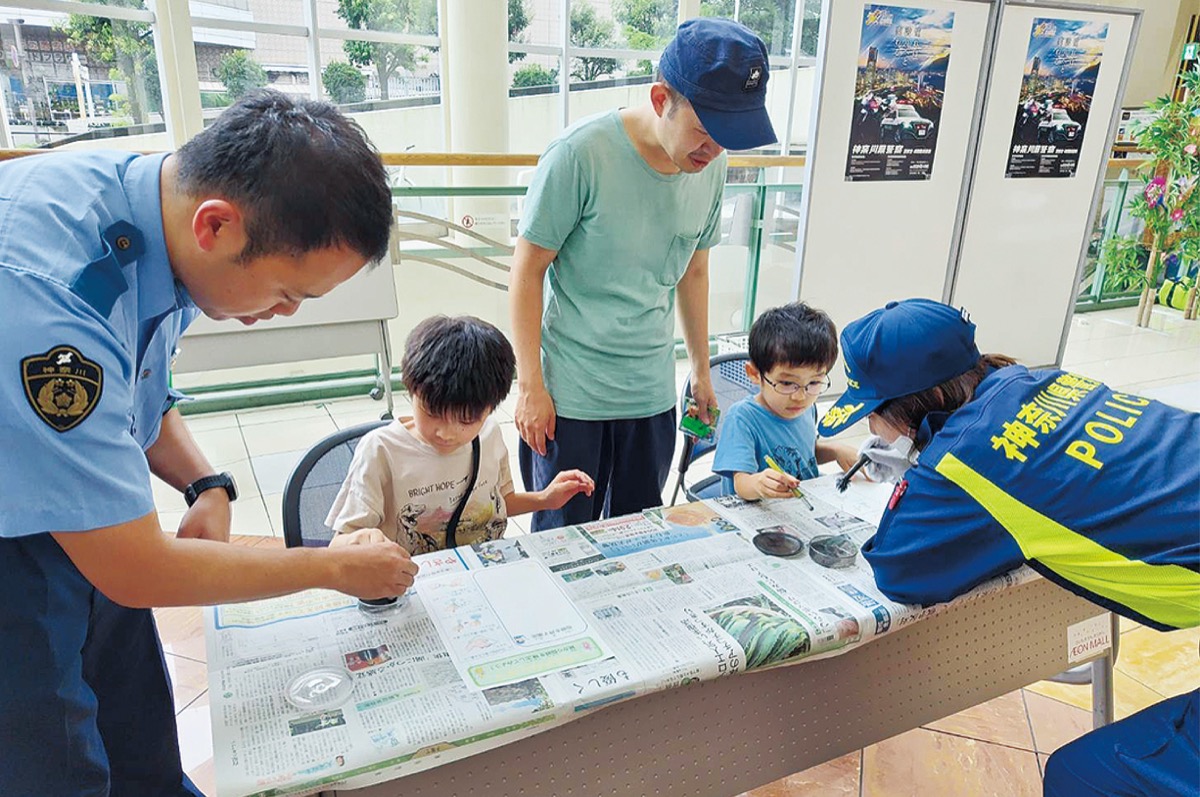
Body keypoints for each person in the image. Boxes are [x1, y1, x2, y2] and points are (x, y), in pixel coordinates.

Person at [0, 91, 421, 797]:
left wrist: (207, 483)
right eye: (288, 292)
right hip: (16, 535)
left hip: (81, 505)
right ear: (217, 225)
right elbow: (136, 569)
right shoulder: (48, 298)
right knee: (53, 760)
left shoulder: (155, 211)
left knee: (138, 737)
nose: (281, 314)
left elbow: (132, 389)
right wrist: (328, 568)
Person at [816, 298, 1199, 797]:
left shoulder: (964, 458)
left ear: (918, 404)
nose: (872, 428)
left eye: (875, 411)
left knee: (1081, 776)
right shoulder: (1042, 381)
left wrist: (927, 476)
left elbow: (899, 571)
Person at [510, 17, 777, 531]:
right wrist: (530, 386)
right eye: (705, 130)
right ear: (660, 100)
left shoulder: (710, 166)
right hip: (573, 393)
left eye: (728, 137)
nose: (714, 149)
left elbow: (694, 270)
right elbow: (526, 273)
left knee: (639, 535)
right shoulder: (579, 155)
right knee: (565, 540)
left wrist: (700, 368)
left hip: (651, 392)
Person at [326, 315, 594, 553]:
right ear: (410, 390)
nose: (446, 433)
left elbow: (497, 504)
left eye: (467, 420)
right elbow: (340, 542)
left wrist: (545, 499)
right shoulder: (382, 450)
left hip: (483, 572)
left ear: (491, 409)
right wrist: (363, 540)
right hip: (411, 582)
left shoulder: (489, 434)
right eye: (432, 412)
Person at [712, 303, 858, 500]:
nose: (800, 396)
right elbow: (741, 482)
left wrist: (835, 450)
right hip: (757, 515)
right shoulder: (742, 418)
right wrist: (758, 484)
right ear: (755, 374)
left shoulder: (805, 408)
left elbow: (805, 452)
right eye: (787, 383)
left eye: (814, 382)